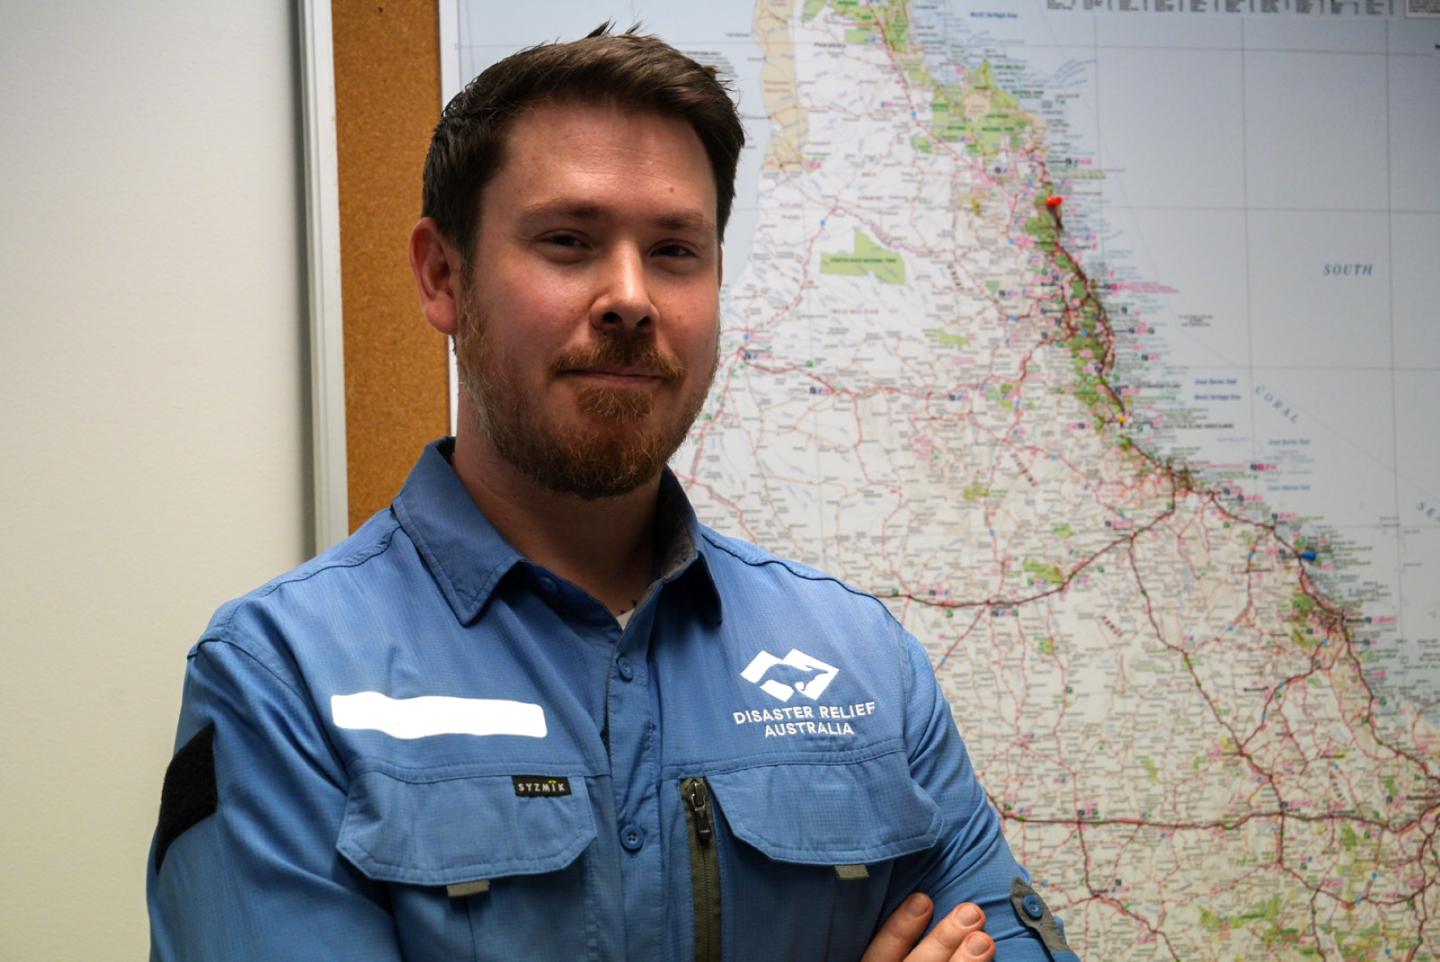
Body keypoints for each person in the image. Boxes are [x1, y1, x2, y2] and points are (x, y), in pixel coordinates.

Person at [146, 26, 1080, 962]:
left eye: (676, 250)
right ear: (442, 275)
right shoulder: (285, 679)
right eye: (567, 241)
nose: (630, 298)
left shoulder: (865, 665)